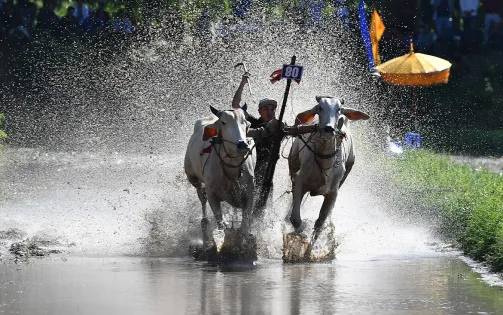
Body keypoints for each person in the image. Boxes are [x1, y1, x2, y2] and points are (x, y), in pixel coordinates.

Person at [231, 73, 282, 215]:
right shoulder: (253, 122)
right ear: (259, 111)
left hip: (267, 174)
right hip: (249, 168)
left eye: (272, 109)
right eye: (266, 109)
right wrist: (242, 84)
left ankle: (260, 230)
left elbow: (296, 131)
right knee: (244, 201)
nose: (270, 112)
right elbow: (236, 106)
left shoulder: (280, 126)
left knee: (262, 209)